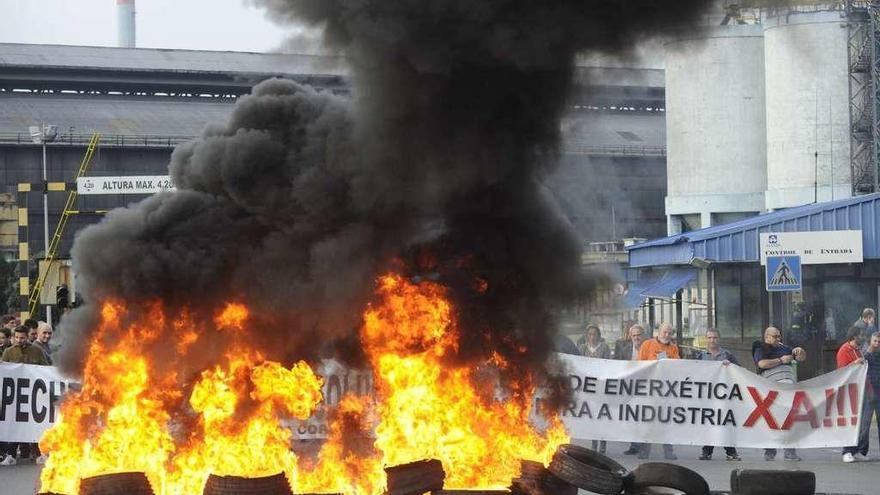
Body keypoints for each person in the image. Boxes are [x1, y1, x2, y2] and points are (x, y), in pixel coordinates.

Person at [753, 326, 806, 461]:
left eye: (779, 336)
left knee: (790, 419)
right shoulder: (760, 348)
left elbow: (801, 358)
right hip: (771, 388)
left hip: (788, 386)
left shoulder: (785, 348)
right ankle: (770, 450)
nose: (778, 338)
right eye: (775, 336)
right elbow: (762, 364)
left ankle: (789, 451)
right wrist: (781, 360)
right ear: (767, 337)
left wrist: (800, 351)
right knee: (772, 419)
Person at [697, 328, 742, 461]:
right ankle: (707, 451)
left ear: (719, 339)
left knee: (725, 423)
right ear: (706, 339)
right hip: (707, 395)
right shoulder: (701, 355)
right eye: (709, 337)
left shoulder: (727, 354)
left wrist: (730, 366)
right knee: (708, 423)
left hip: (724, 395)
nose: (712, 340)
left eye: (715, 337)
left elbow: (739, 370)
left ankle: (731, 451)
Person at [636, 323, 679, 460]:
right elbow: (639, 365)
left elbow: (678, 366)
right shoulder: (647, 344)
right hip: (649, 389)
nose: (667, 335)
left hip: (666, 390)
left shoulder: (673, 348)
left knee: (666, 420)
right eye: (664, 332)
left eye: (670, 333)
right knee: (648, 420)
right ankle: (644, 450)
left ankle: (668, 450)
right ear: (658, 332)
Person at [578, 324, 610, 453]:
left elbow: (609, 364)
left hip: (601, 386)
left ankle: (603, 442)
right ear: (587, 336)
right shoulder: (582, 348)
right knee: (591, 414)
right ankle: (594, 442)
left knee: (602, 415)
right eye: (590, 334)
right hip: (588, 386)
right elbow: (578, 363)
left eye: (595, 334)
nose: (592, 337)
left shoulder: (604, 347)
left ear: (599, 335)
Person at [838, 326, 866, 462]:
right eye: (861, 335)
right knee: (851, 422)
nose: (863, 337)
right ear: (854, 336)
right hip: (850, 391)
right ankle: (847, 451)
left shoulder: (858, 350)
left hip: (861, 390)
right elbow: (841, 371)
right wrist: (855, 363)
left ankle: (857, 450)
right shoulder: (844, 350)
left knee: (861, 423)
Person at [617, 324, 646, 456]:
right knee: (632, 417)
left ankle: (644, 446)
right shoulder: (625, 351)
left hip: (647, 387)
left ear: (643, 336)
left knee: (645, 417)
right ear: (630, 337)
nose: (636, 338)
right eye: (634, 335)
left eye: (638, 335)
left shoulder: (650, 347)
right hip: (630, 389)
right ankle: (634, 445)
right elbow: (616, 366)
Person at [861, 331, 880, 458]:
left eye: (879, 342)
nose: (877, 344)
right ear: (870, 341)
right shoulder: (866, 354)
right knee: (865, 424)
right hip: (868, 394)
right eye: (875, 341)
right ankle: (862, 451)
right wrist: (868, 351)